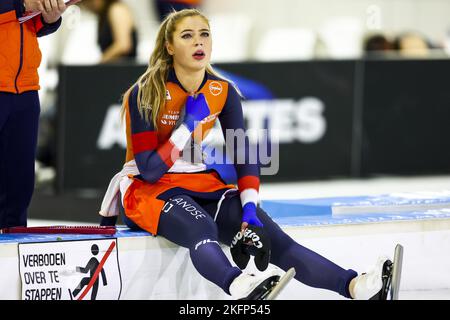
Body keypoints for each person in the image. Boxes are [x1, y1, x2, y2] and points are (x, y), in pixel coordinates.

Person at [99, 9, 397, 300]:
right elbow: (149, 169)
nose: (198, 42)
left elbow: (243, 154)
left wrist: (250, 207)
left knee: (273, 236)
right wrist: (188, 125)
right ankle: (240, 286)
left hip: (198, 181)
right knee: (201, 227)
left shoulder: (223, 91)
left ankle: (355, 286)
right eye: (187, 36)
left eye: (204, 35)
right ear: (170, 46)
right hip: (147, 190)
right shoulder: (145, 91)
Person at [0, 0, 80, 229]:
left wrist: (49, 17)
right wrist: (21, 3)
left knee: (19, 188)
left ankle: (11, 256)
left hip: (25, 88)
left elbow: (28, 25)